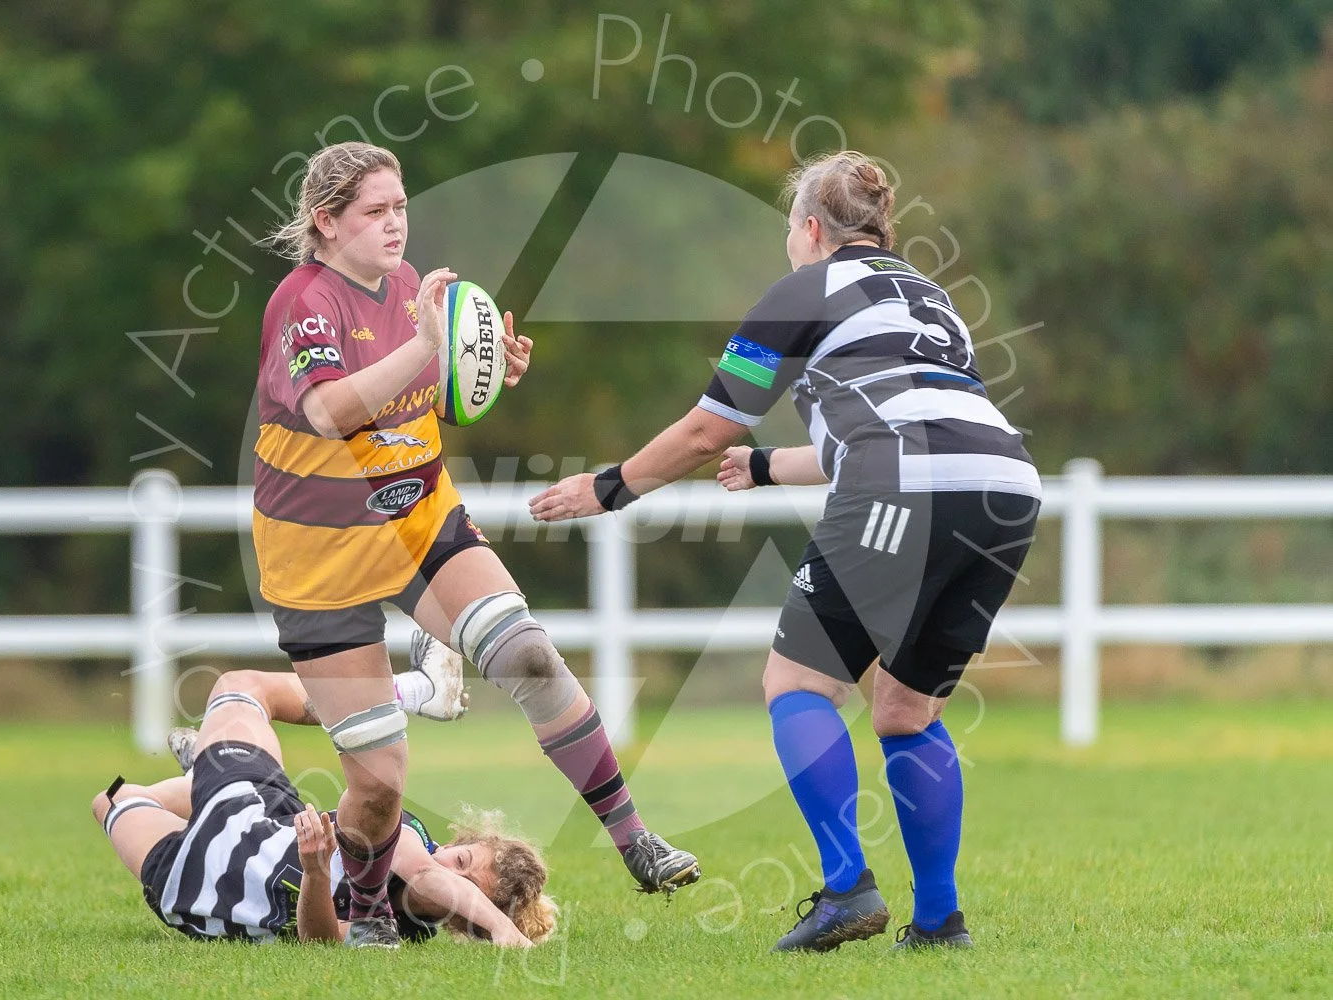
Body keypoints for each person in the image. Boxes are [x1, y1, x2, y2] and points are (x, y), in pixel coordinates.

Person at [530, 151, 1040, 953]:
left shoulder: (802, 290)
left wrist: (610, 487)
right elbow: (902, 422)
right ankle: (939, 924)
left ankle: (846, 890)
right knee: (906, 710)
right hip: (1006, 488)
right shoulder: (928, 296)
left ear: (809, 228)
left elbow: (707, 429)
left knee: (797, 682)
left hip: (903, 484)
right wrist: (768, 467)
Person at [253, 141, 700, 947]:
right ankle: (370, 912)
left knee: (528, 655)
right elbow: (330, 411)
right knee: (379, 784)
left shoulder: (409, 289)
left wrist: (478, 370)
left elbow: (425, 396)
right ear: (326, 222)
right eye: (375, 212)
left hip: (418, 517)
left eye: (400, 207)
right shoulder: (303, 302)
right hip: (318, 557)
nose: (395, 224)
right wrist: (432, 345)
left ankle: (635, 839)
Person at [92, 668, 556, 946]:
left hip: (191, 882)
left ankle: (200, 774)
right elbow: (424, 873)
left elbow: (320, 941)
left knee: (111, 800)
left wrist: (315, 874)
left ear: (463, 920)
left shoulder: (406, 932)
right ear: (455, 844)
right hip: (252, 815)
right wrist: (502, 927)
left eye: (470, 891)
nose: (454, 878)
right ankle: (405, 692)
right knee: (240, 686)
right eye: (462, 861)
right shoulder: (409, 836)